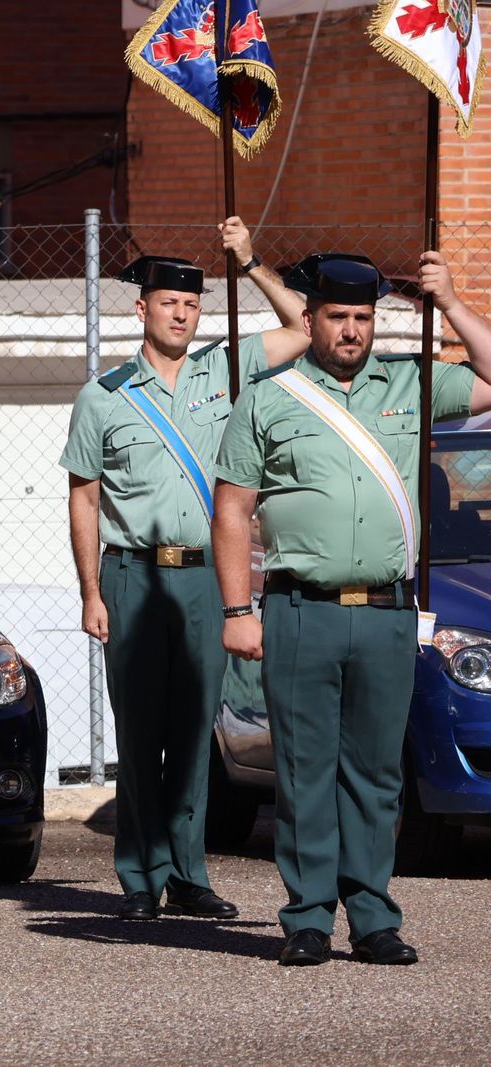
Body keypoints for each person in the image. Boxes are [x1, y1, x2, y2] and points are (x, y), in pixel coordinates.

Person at [214, 252, 491, 966]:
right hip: (302, 609)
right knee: (305, 770)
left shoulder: (412, 381)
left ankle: (373, 917)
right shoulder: (269, 398)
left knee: (376, 773)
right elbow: (232, 509)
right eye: (337, 316)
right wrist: (238, 608)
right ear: (309, 320)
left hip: (388, 614)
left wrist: (455, 304)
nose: (351, 330)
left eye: (363, 317)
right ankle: (308, 916)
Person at [58, 218, 307, 922]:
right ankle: (140, 876)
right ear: (142, 309)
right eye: (169, 302)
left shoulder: (224, 368)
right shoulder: (103, 396)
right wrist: (89, 591)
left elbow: (304, 325)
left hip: (205, 577)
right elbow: (83, 496)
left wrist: (252, 261)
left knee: (197, 728)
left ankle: (189, 871)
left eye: (193, 303)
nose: (183, 313)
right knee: (140, 732)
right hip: (133, 577)